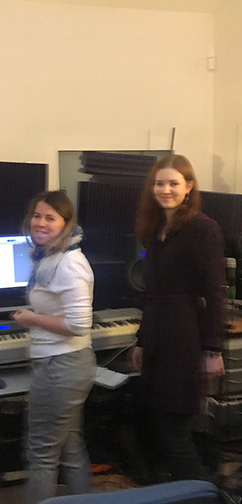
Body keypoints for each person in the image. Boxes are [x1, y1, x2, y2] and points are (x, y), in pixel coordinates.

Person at [130, 154, 226, 481]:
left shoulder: (203, 228)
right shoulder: (156, 229)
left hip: (184, 335)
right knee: (157, 424)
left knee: (174, 428)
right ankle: (177, 489)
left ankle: (202, 493)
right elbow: (152, 294)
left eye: (174, 183)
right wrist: (141, 342)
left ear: (189, 187)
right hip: (157, 334)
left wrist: (213, 350)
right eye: (159, 183)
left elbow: (215, 292)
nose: (165, 189)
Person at [12, 190, 96, 504]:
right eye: (37, 216)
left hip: (61, 368)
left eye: (50, 218)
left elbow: (78, 324)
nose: (41, 223)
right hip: (65, 364)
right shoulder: (51, 257)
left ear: (66, 224)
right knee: (70, 447)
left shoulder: (69, 264)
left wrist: (31, 318)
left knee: (42, 454)